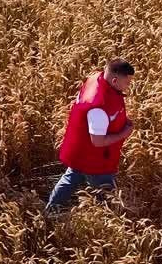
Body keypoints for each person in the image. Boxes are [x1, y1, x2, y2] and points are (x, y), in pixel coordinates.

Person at [45, 59, 135, 211]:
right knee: (107, 194)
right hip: (96, 160)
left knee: (70, 178)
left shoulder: (97, 79)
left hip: (79, 152)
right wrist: (124, 133)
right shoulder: (98, 107)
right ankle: (111, 218)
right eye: (127, 82)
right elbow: (98, 141)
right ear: (114, 80)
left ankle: (50, 211)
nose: (129, 86)